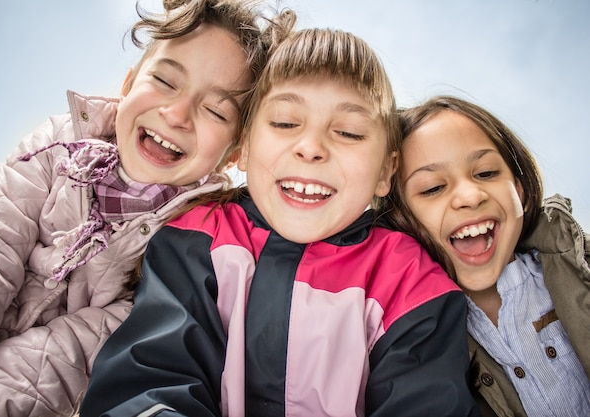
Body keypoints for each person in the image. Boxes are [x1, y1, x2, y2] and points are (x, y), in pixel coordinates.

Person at [79, 28, 480, 417]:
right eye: (286, 123)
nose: (310, 148)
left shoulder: (410, 281)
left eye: (348, 132)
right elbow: (149, 378)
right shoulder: (196, 238)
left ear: (385, 171)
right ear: (246, 145)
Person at [0, 0, 295, 415]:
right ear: (128, 83)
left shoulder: (196, 241)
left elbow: (64, 359)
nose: (176, 115)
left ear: (234, 153)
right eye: (164, 80)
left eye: (214, 110)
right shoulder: (55, 149)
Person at [392, 95, 590, 417]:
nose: (470, 197)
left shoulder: (581, 270)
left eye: (485, 173)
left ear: (520, 191)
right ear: (400, 220)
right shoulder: (415, 344)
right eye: (432, 188)